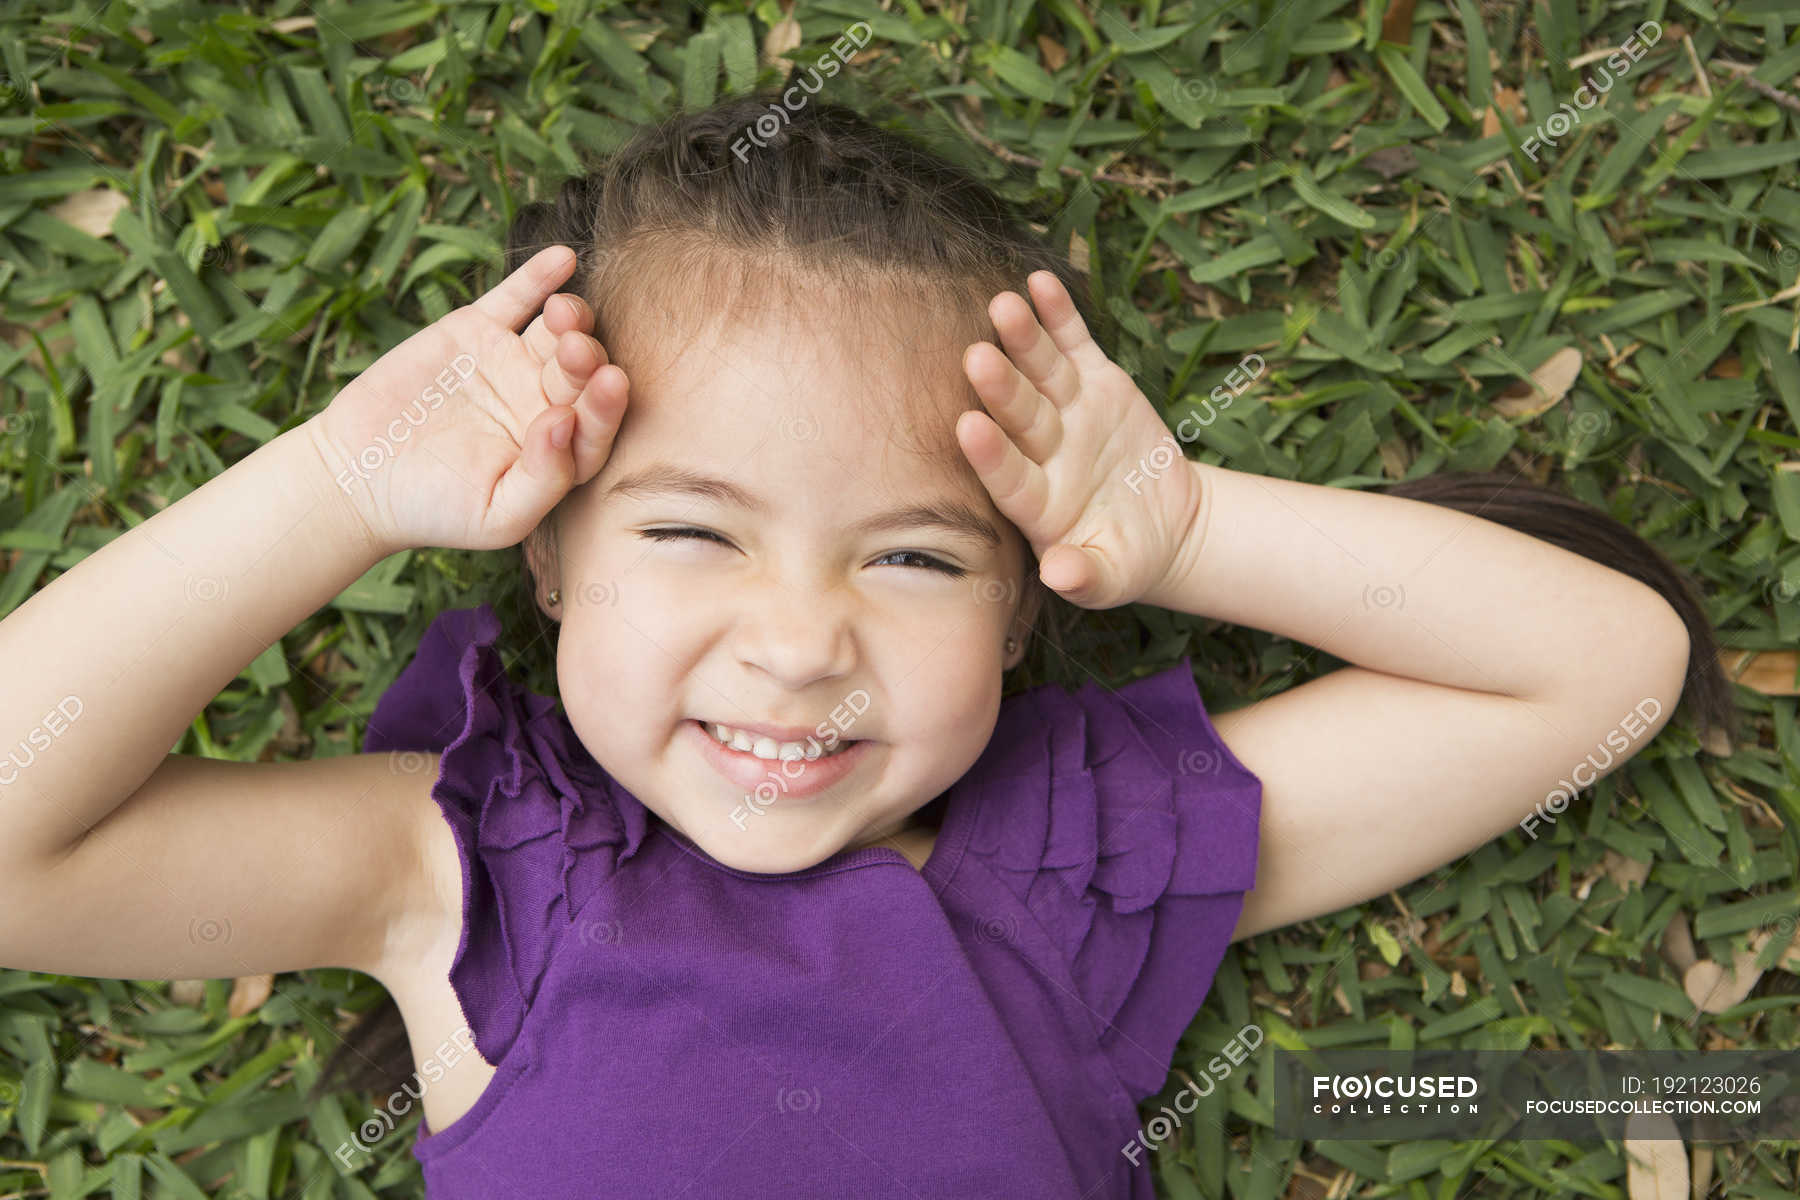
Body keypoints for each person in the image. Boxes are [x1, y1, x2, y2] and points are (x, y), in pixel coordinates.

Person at [0, 92, 1733, 1197]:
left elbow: (1596, 674)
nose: (802, 644)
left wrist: (1197, 526)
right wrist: (337, 486)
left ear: (1024, 593)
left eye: (913, 554)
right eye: (691, 530)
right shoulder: (457, 874)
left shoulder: (1077, 873)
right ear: (544, 552)